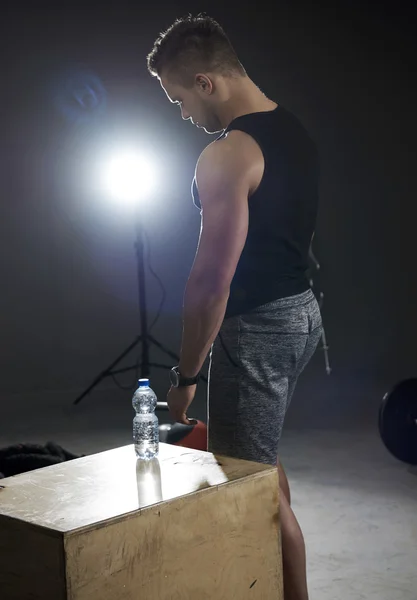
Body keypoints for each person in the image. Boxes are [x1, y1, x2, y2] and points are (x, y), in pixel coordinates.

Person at [147, 14, 322, 600]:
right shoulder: (292, 129)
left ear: (206, 83)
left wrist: (186, 377)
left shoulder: (229, 153)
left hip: (259, 330)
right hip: (301, 314)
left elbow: (210, 283)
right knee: (259, 465)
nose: (183, 114)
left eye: (178, 98)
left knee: (251, 497)